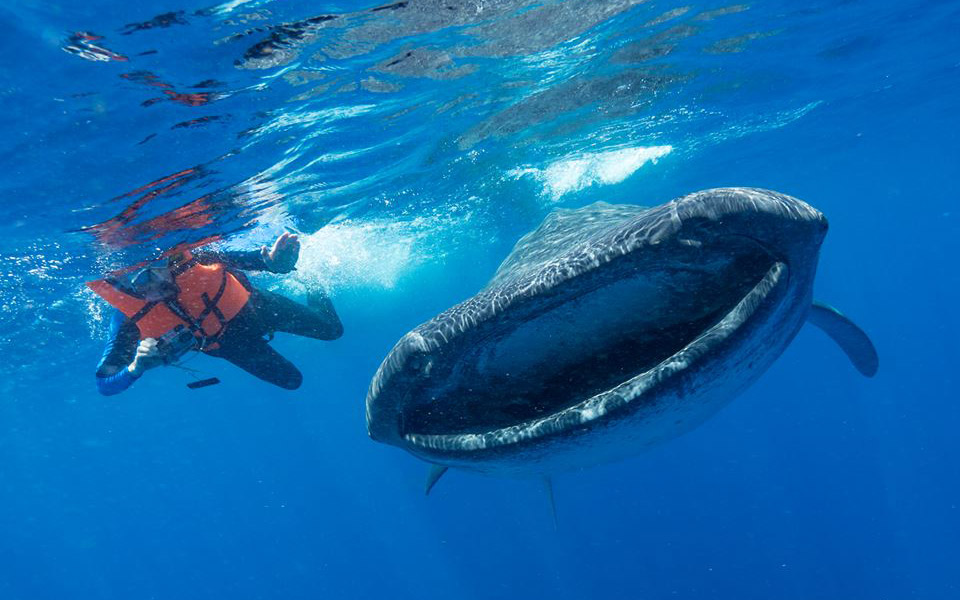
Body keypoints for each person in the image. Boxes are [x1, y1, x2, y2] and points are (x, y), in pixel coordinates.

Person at [90, 233, 342, 394]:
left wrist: (272, 263)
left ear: (164, 261)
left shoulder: (194, 259)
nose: (145, 289)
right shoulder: (127, 319)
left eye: (149, 275)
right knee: (291, 381)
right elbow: (104, 384)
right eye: (132, 286)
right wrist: (136, 367)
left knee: (332, 330)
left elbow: (246, 258)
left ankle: (312, 280)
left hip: (256, 307)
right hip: (230, 344)